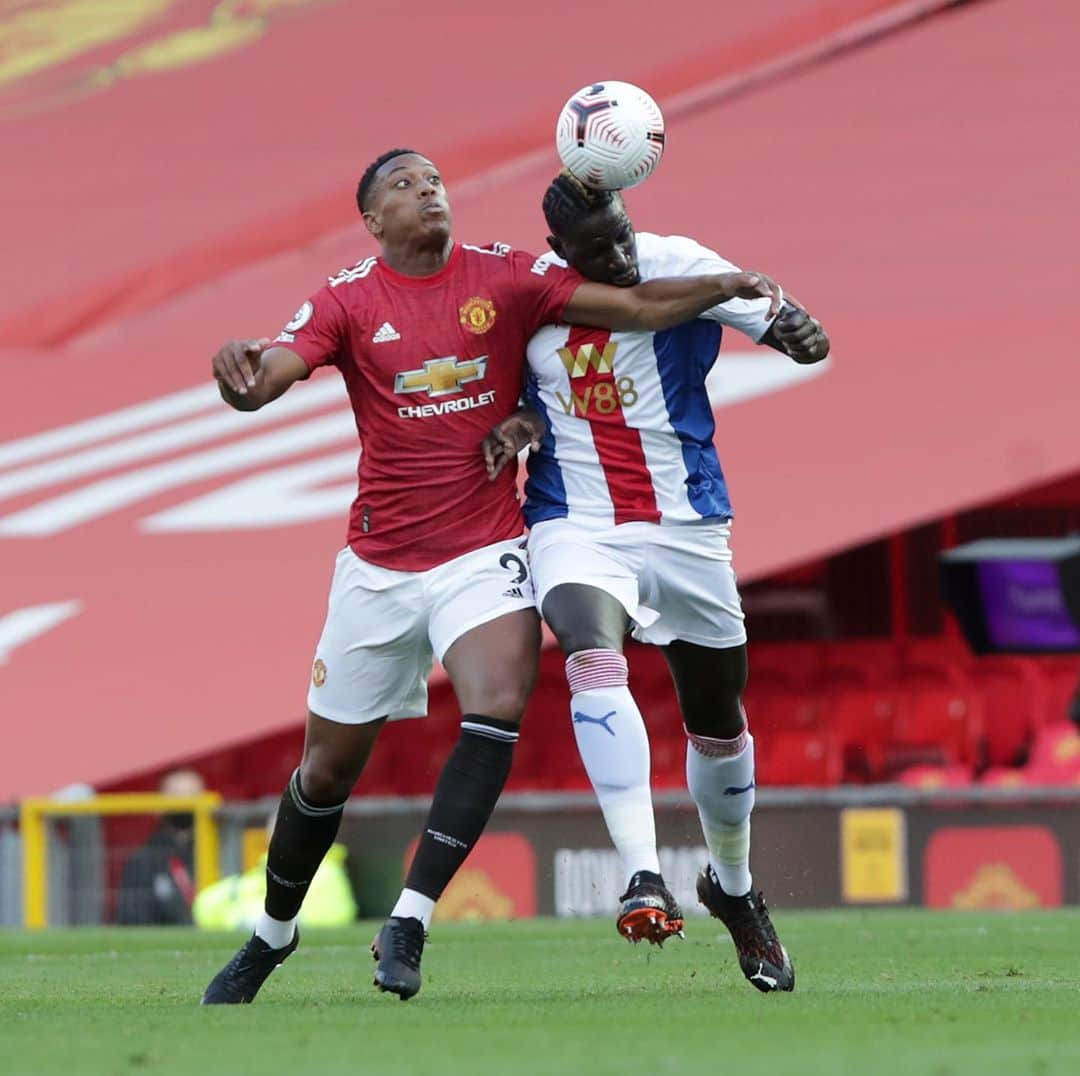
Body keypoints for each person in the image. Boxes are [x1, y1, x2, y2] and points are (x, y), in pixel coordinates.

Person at [200, 148, 785, 1004]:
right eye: (403, 185)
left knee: (498, 706)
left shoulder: (505, 278)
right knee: (325, 771)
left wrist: (730, 286)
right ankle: (272, 934)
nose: (427, 191)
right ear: (372, 219)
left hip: (486, 550)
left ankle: (409, 919)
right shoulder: (348, 299)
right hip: (378, 565)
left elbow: (632, 307)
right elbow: (266, 379)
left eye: (433, 180)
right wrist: (240, 377)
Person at [484, 174, 829, 993]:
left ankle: (732, 888)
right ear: (563, 254)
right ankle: (643, 875)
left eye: (623, 235)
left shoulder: (678, 261)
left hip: (688, 524)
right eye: (599, 249)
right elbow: (532, 407)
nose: (621, 255)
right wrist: (516, 427)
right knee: (588, 650)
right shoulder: (534, 300)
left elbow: (783, 326)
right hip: (576, 521)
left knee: (717, 719)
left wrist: (789, 327)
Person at [116, 769, 205, 926]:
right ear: (158, 805)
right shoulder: (142, 862)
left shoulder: (222, 856)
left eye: (192, 796)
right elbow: (132, 919)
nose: (184, 804)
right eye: (177, 797)